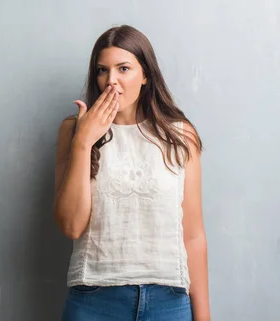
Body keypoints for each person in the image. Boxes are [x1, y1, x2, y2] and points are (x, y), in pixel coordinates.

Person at [53, 25, 210, 321]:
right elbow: (71, 226)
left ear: (146, 75)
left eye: (123, 68)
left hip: (168, 302)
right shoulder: (74, 131)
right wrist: (84, 142)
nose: (111, 81)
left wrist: (204, 318)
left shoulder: (180, 135)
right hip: (95, 300)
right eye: (102, 70)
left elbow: (193, 236)